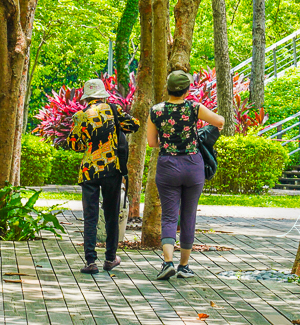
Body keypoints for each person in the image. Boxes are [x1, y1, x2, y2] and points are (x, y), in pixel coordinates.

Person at [146, 69, 225, 280]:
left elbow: (152, 143)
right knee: (188, 215)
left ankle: (167, 262)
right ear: (187, 89)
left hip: (167, 166)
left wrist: (169, 142)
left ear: (168, 88)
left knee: (170, 216)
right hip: (193, 165)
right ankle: (184, 266)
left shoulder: (156, 110)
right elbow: (219, 121)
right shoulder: (194, 108)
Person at [67, 77, 139, 275]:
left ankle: (90, 262)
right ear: (103, 95)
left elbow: (73, 143)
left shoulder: (81, 115)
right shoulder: (114, 110)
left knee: (90, 216)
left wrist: (88, 143)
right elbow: (134, 125)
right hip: (111, 170)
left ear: (87, 97)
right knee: (111, 214)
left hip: (89, 171)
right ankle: (110, 258)